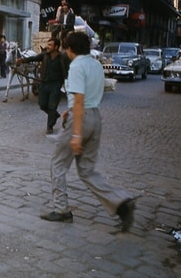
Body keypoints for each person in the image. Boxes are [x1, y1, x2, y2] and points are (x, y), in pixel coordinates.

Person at [40, 31, 136, 232]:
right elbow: (90, 95)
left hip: (81, 118)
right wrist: (70, 108)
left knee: (58, 164)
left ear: (70, 49)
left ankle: (61, 209)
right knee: (87, 170)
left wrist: (75, 134)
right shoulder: (95, 64)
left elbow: (80, 98)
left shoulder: (76, 66)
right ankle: (121, 202)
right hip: (95, 117)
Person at [17, 37, 70, 134]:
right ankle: (54, 115)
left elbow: (68, 69)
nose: (47, 47)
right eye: (47, 44)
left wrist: (67, 82)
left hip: (56, 85)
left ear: (56, 47)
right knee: (42, 104)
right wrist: (22, 60)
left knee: (52, 106)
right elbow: (33, 58)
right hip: (44, 84)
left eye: (50, 45)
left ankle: (49, 126)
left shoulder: (62, 57)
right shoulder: (45, 55)